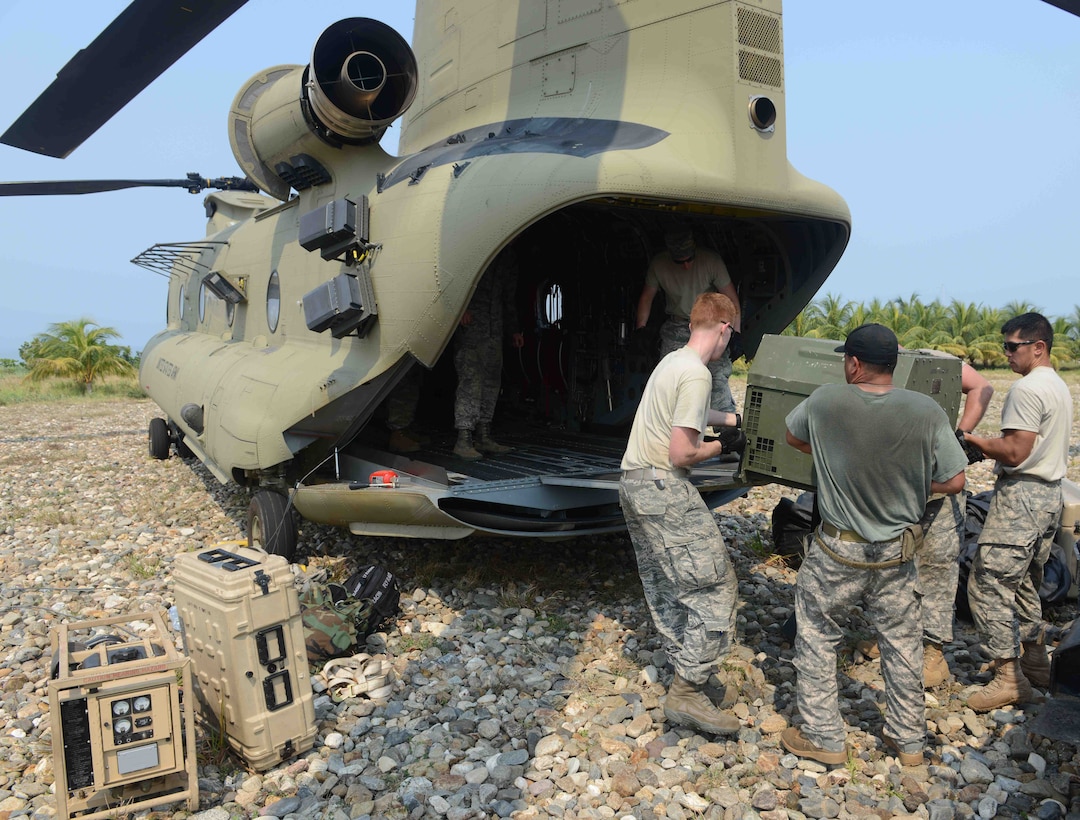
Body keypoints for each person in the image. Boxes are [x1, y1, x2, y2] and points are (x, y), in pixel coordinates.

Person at [783, 323, 967, 767]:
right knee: (903, 646)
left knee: (816, 636)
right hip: (896, 553)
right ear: (894, 364)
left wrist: (838, 455)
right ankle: (909, 745)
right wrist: (909, 485)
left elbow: (793, 437)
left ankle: (825, 738)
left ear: (853, 363)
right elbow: (956, 480)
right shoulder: (926, 411)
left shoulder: (826, 400)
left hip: (836, 551)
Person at [619, 292, 745, 736]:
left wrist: (731, 422)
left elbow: (686, 410)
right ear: (725, 330)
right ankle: (688, 690)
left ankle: (688, 673)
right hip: (663, 485)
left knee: (668, 586)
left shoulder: (673, 361)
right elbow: (684, 451)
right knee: (714, 587)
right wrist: (720, 446)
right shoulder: (696, 373)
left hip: (634, 483)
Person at [859, 359, 994, 687]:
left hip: (937, 487)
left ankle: (933, 654)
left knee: (935, 565)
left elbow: (983, 386)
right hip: (894, 486)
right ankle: (894, 636)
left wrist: (961, 435)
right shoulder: (860, 371)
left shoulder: (935, 363)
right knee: (891, 563)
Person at [963, 312, 1072, 711]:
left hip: (1022, 498)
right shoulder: (1057, 384)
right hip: (1049, 496)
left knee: (988, 580)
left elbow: (1015, 451)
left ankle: (1009, 678)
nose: (1006, 353)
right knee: (1026, 582)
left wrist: (972, 439)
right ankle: (1036, 660)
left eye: (1013, 347)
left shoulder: (1027, 390)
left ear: (1038, 347)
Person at [635, 225, 741, 413]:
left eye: (689, 259)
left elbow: (731, 298)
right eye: (679, 261)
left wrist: (735, 332)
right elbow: (646, 298)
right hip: (677, 326)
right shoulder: (659, 264)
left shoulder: (711, 261)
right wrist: (641, 329)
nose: (685, 266)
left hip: (709, 324)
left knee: (717, 379)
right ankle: (669, 427)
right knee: (668, 377)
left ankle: (728, 431)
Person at [453, 247, 525, 461]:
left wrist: (514, 329)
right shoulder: (478, 246)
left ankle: (484, 435)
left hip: (495, 328)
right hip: (473, 326)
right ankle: (463, 439)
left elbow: (508, 296)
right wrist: (460, 308)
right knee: (471, 381)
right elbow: (456, 278)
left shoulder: (509, 256)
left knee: (492, 382)